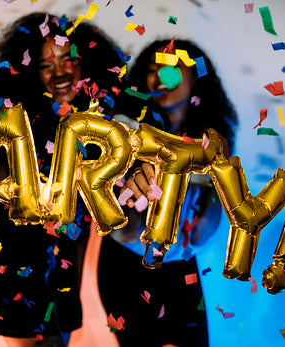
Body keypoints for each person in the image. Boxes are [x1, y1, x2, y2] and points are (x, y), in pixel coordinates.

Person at [0, 12, 126, 347]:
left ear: (87, 65)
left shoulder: (102, 128)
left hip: (67, 261)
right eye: (46, 65)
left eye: (68, 60)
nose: (59, 72)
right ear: (32, 74)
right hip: (16, 258)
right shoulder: (16, 122)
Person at [97, 38, 238, 347]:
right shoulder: (124, 129)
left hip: (180, 265)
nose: (159, 77)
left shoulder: (213, 140)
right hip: (125, 264)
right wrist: (132, 172)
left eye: (171, 68)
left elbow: (211, 223)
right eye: (151, 70)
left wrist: (212, 173)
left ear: (197, 78)